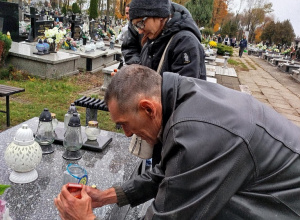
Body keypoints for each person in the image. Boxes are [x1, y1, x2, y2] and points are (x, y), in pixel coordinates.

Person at [55, 64, 300, 220]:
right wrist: (105, 197)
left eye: (124, 124)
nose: (127, 134)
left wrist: (84, 219)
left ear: (148, 109)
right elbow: (169, 175)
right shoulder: (182, 98)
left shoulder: (198, 134)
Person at [127, 0, 206, 79]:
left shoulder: (185, 43)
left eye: (140, 23)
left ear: (159, 15)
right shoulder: (152, 39)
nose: (140, 31)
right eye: (136, 26)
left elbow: (185, 88)